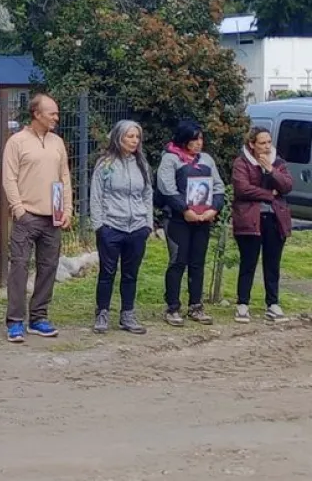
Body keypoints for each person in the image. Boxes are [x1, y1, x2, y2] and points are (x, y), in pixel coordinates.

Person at [2, 93, 72, 343]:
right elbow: (8, 177)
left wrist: (67, 209)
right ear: (36, 114)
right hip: (26, 216)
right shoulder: (17, 142)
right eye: (52, 113)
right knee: (19, 268)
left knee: (48, 268)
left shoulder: (57, 142)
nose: (56, 117)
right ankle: (15, 321)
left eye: (56, 113)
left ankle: (39, 317)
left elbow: (64, 176)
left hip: (53, 216)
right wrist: (19, 209)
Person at [156, 120, 225, 326]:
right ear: (184, 140)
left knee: (198, 262)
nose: (198, 143)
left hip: (203, 219)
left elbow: (219, 185)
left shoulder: (207, 160)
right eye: (194, 140)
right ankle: (172, 306)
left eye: (201, 139)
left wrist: (214, 208)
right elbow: (167, 188)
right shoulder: (170, 159)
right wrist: (185, 211)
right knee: (178, 261)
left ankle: (196, 305)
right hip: (178, 219)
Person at [89, 120, 152, 335]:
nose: (134, 141)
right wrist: (100, 225)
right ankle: (102, 312)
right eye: (129, 137)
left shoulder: (142, 164)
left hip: (137, 227)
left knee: (130, 273)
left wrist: (148, 224)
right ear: (118, 138)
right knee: (107, 271)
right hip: (111, 226)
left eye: (137, 137)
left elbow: (147, 194)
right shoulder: (105, 164)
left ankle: (127, 313)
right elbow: (96, 196)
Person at [232, 126, 293, 323]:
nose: (267, 147)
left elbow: (286, 186)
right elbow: (242, 189)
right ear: (252, 144)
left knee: (272, 263)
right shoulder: (242, 163)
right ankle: (242, 304)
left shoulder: (279, 162)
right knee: (248, 262)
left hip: (275, 219)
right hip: (250, 219)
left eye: (269, 142)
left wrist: (270, 170)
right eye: (262, 143)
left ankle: (272, 304)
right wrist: (268, 194)